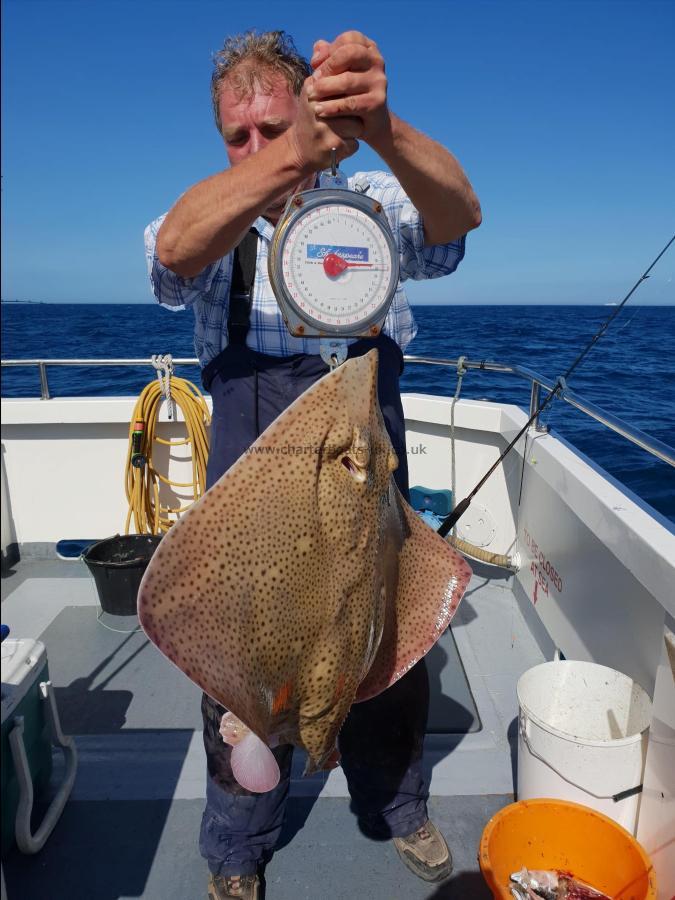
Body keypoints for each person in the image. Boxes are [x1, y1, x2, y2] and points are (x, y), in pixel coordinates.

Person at [145, 29, 481, 900]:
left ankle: (396, 804)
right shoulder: (216, 215)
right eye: (239, 135)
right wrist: (289, 155)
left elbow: (454, 220)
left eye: (275, 126)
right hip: (251, 502)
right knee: (242, 677)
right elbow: (173, 251)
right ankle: (237, 844)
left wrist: (380, 127)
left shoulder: (366, 201)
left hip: (366, 483)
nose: (254, 148)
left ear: (312, 109)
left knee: (384, 653)